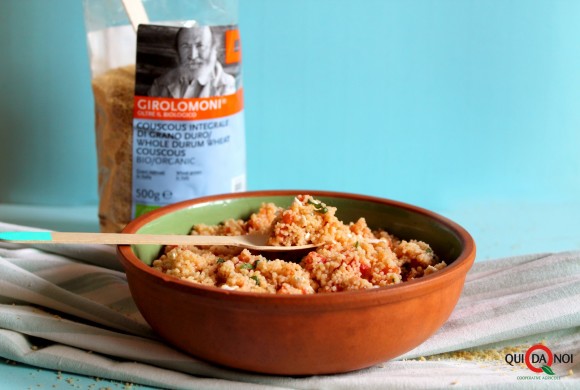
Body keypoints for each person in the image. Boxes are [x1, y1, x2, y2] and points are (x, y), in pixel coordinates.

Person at [148, 26, 236, 98]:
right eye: (185, 46)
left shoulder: (228, 86)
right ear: (177, 51)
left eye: (200, 46)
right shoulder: (159, 86)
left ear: (213, 49)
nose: (193, 56)